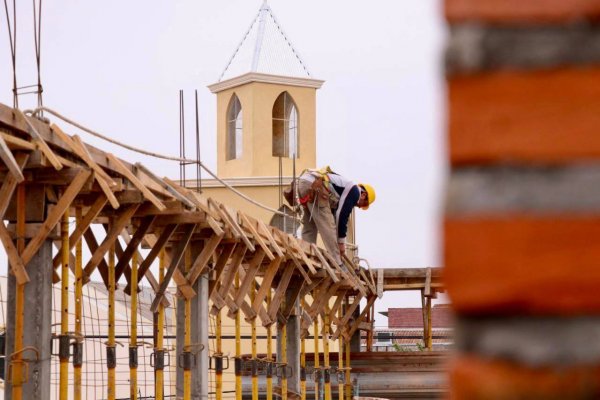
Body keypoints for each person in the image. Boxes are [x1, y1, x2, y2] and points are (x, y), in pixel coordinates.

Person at [295, 167, 375, 266]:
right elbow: (341, 215)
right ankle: (337, 262)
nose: (359, 206)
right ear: (363, 195)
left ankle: (306, 257)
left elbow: (335, 215)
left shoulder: (342, 190)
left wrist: (339, 239)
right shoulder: (354, 192)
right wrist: (341, 244)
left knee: (310, 226)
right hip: (316, 186)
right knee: (329, 225)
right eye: (363, 204)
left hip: (303, 183)